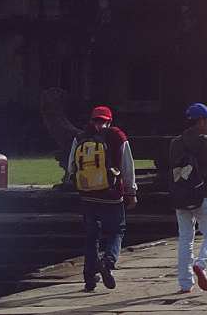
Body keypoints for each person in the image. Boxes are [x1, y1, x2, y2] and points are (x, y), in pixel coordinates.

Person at [67, 106, 136, 292]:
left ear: (92, 120)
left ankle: (90, 280)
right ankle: (108, 261)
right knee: (117, 231)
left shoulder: (80, 137)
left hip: (87, 196)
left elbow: (71, 168)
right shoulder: (117, 136)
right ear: (109, 120)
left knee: (91, 237)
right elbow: (127, 167)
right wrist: (131, 192)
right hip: (112, 195)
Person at [171, 103, 207, 293]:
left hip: (181, 196)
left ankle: (185, 283)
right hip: (203, 195)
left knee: (185, 238)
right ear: (201, 122)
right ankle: (201, 264)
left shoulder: (175, 142)